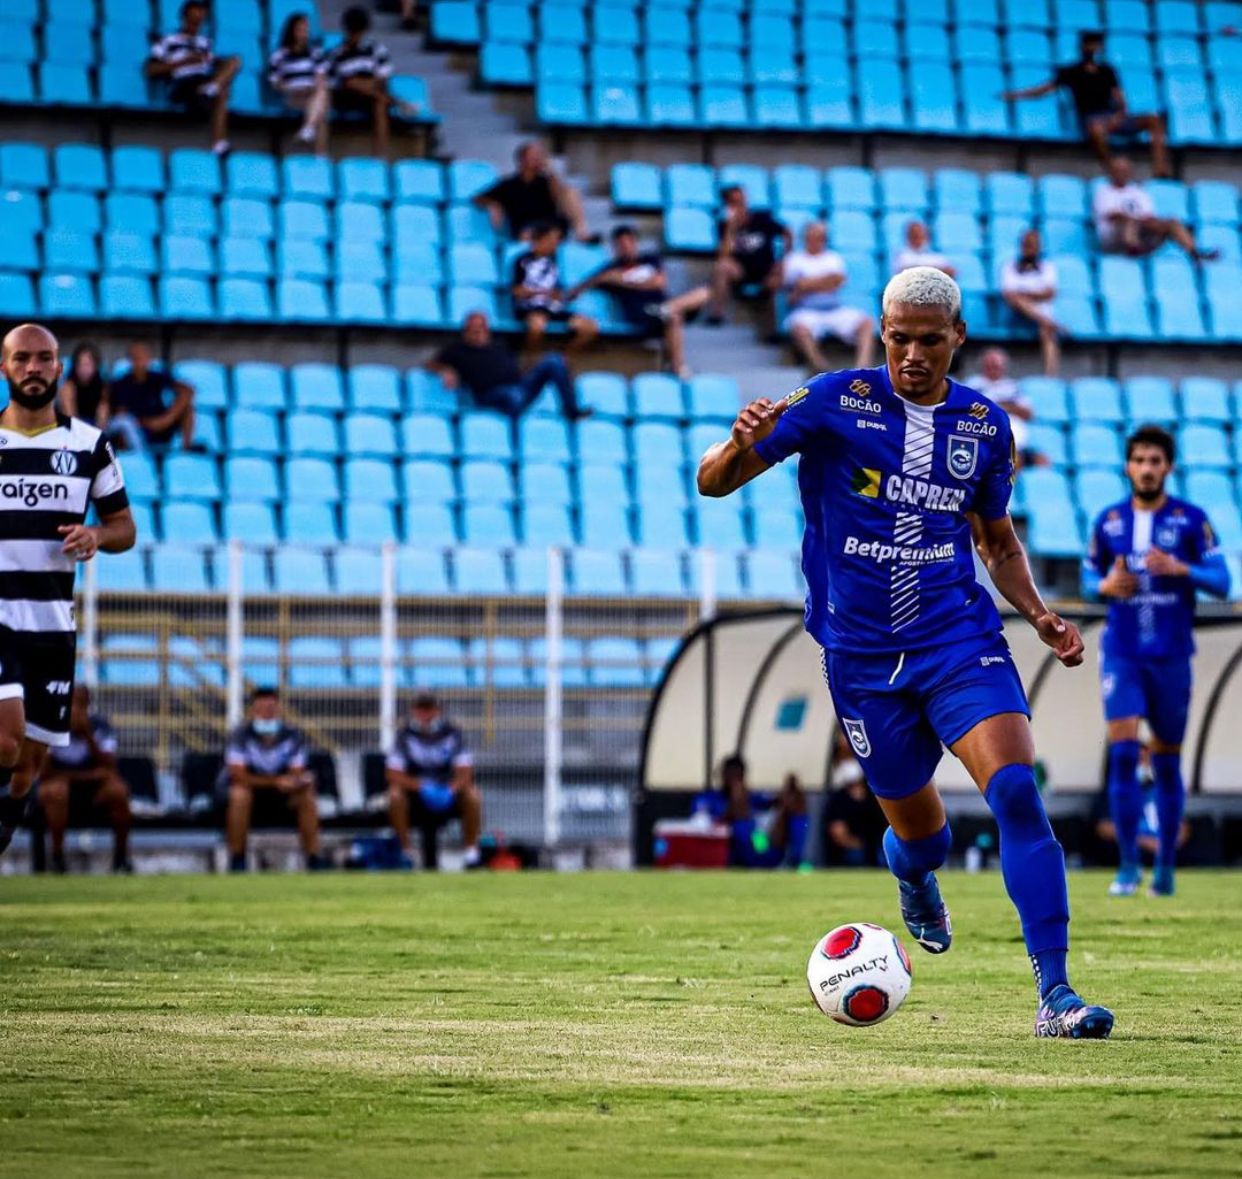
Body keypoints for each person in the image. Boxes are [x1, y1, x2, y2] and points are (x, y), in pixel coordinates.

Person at [696, 267, 1114, 1037]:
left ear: (958, 338)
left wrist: (1040, 613)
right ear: (880, 333)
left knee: (1017, 791)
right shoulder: (830, 401)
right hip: (860, 657)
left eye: (929, 339)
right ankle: (914, 872)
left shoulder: (985, 427)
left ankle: (1056, 996)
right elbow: (712, 483)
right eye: (899, 338)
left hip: (958, 637)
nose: (913, 353)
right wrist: (738, 444)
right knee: (925, 836)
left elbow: (996, 539)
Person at [0, 323, 136, 859]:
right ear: (4, 368)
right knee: (7, 740)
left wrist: (97, 534)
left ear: (59, 368)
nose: (33, 368)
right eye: (21, 359)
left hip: (53, 624)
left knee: (29, 761)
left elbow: (125, 528)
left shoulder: (89, 445)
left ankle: (8, 817)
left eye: (43, 359)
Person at [1082, 425, 1230, 898]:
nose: (1147, 468)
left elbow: (1223, 580)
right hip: (1123, 653)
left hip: (1171, 655)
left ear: (1168, 467)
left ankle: (1164, 868)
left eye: (1155, 461)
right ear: (1128, 466)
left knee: (1166, 763)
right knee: (1124, 754)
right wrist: (1105, 587)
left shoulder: (1191, 520)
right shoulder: (1108, 521)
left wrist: (1181, 568)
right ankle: (1127, 867)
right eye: (1139, 460)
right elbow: (1089, 579)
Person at [1002, 30, 1170, 176]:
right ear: (1082, 47)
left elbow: (1120, 98)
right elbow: (1043, 90)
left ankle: (1160, 168)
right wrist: (1015, 95)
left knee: (1154, 120)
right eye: (1090, 45)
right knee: (1096, 129)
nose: (1093, 49)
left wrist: (1119, 116)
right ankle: (1111, 168)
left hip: (1112, 117)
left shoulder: (1107, 71)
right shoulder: (1071, 71)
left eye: (1096, 45)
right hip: (1092, 118)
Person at [568, 225, 710, 378]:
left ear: (635, 243)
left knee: (704, 292)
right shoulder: (611, 267)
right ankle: (678, 368)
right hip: (640, 313)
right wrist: (603, 278)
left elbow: (659, 282)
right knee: (674, 318)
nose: (626, 247)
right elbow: (578, 288)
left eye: (629, 242)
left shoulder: (649, 260)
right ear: (615, 247)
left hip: (662, 306)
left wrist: (622, 280)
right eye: (621, 244)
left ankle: (665, 309)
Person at [223, 688, 325, 872]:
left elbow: (296, 771)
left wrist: (295, 782)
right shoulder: (240, 736)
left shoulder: (292, 736)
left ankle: (313, 858)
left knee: (307, 796)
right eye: (262, 708)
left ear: (279, 710)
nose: (267, 713)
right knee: (238, 795)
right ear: (253, 711)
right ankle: (237, 859)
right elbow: (239, 775)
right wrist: (275, 781)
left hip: (283, 796)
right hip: (252, 793)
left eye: (271, 708)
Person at [36, 686, 131, 874]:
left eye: (80, 703)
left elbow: (109, 767)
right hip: (60, 786)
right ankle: (57, 859)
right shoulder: (49, 724)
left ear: (88, 704)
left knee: (119, 791)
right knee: (57, 791)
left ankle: (121, 859)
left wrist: (87, 735)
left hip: (93, 790)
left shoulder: (100, 726)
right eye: (72, 703)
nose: (76, 709)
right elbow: (43, 772)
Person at [429, 311, 590, 420]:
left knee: (553, 360)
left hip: (519, 386)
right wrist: (446, 369)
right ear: (466, 331)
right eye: (474, 330)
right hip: (491, 396)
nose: (478, 333)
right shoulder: (457, 350)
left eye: (481, 328)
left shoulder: (499, 344)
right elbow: (429, 364)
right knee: (512, 395)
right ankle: (514, 432)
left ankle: (572, 411)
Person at [386, 692, 482, 870]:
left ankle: (471, 853)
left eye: (429, 709)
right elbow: (393, 773)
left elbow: (465, 772)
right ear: (413, 711)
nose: (425, 715)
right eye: (420, 709)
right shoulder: (404, 736)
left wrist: (451, 789)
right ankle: (406, 853)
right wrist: (421, 787)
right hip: (415, 795)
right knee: (394, 795)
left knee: (473, 796)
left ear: (437, 711)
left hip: (448, 792)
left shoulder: (453, 734)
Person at [145, 0, 240, 157]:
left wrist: (217, 63)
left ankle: (211, 88)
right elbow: (151, 70)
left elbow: (212, 62)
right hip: (183, 83)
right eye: (194, 15)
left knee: (234, 61)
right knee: (223, 93)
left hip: (204, 78)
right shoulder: (168, 41)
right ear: (184, 17)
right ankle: (218, 142)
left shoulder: (204, 43)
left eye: (201, 15)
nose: (198, 19)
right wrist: (184, 62)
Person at [778, 221, 875, 373]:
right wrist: (824, 281)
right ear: (806, 238)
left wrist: (808, 283)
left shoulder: (832, 258)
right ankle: (820, 368)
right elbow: (795, 287)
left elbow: (837, 281)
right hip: (806, 310)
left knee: (867, 323)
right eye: (813, 237)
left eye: (821, 237)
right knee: (800, 329)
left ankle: (862, 369)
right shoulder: (794, 259)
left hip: (834, 309)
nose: (817, 241)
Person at [324, 6, 415, 157]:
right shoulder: (336, 53)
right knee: (356, 86)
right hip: (345, 97)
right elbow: (344, 83)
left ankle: (379, 156)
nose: (356, 36)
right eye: (353, 32)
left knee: (379, 102)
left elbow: (382, 77)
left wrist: (365, 83)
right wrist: (365, 83)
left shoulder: (376, 49)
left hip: (371, 95)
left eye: (359, 32)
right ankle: (396, 102)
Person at [692, 754, 808, 868]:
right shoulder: (708, 798)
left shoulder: (750, 797)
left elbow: (773, 801)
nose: (735, 780)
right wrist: (733, 808)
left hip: (756, 840)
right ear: (723, 775)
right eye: (731, 775)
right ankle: (762, 857)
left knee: (794, 806)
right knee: (742, 822)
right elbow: (701, 824)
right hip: (722, 845)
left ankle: (798, 861)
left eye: (739, 776)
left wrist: (788, 795)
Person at [1093, 157, 1219, 262]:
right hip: (1113, 237)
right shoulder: (1104, 192)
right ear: (1111, 172)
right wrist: (1135, 219)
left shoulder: (1138, 191)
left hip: (1142, 232)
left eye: (1125, 170)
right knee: (1129, 222)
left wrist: (1153, 224)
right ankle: (1132, 250)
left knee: (1172, 222)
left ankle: (1195, 253)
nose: (1122, 174)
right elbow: (1112, 216)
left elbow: (1149, 216)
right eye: (1118, 170)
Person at [510, 222, 599, 358]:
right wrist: (540, 292)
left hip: (553, 308)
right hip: (531, 307)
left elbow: (557, 292)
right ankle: (531, 360)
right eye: (552, 239)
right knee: (536, 327)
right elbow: (516, 291)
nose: (555, 244)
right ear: (541, 240)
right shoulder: (521, 261)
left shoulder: (553, 263)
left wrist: (562, 295)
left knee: (589, 328)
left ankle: (562, 359)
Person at [475, 141, 593, 243]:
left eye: (540, 155)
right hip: (526, 228)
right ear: (522, 159)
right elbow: (478, 198)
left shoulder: (547, 181)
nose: (538, 159)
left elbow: (559, 196)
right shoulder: (509, 184)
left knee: (571, 193)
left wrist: (550, 171)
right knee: (528, 234)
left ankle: (581, 232)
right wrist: (493, 204)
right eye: (534, 155)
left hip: (551, 226)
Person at [707, 186, 791, 325]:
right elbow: (723, 255)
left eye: (742, 201)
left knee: (779, 276)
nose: (740, 206)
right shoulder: (723, 225)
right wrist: (731, 228)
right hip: (741, 270)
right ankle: (717, 314)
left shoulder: (762, 218)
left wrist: (783, 259)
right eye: (735, 203)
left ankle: (774, 329)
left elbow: (788, 233)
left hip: (766, 269)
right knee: (721, 267)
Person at [106, 342, 199, 452]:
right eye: (136, 358)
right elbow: (122, 416)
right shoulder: (122, 384)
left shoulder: (158, 377)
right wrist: (149, 423)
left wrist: (168, 418)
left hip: (162, 425)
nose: (141, 363)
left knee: (187, 409)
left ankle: (186, 450)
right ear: (130, 361)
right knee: (123, 430)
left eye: (144, 358)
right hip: (139, 430)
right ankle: (136, 461)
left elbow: (188, 391)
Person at [967, 347, 1048, 470]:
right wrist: (1001, 407)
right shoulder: (973, 384)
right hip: (983, 432)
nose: (994, 369)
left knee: (1042, 460)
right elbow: (966, 410)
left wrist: (1002, 406)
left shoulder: (1013, 387)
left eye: (997, 366)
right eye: (990, 365)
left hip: (1013, 435)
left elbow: (1027, 413)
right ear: (983, 366)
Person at [1000, 229, 1060, 377]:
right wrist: (1033, 295)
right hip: (1017, 313)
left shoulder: (1048, 267)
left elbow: (1049, 293)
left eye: (1033, 245)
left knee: (1046, 330)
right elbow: (1009, 295)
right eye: (1027, 244)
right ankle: (1049, 322)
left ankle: (1050, 374)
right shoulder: (1009, 266)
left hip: (1040, 311)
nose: (1030, 248)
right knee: (1018, 301)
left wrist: (1025, 294)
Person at [268, 12, 330, 153]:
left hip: (311, 92)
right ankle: (320, 154)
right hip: (291, 94)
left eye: (306, 30)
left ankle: (308, 129)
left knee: (321, 95)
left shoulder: (315, 54)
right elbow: (276, 83)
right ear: (292, 31)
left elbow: (321, 78)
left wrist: (311, 88)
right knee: (322, 108)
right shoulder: (279, 55)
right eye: (300, 30)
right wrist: (292, 89)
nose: (304, 34)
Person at [823, 732, 887, 867]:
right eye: (844, 757)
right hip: (854, 852)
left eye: (852, 756)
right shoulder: (838, 799)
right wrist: (859, 845)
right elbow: (838, 834)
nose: (849, 763)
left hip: (878, 849)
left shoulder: (877, 795)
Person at [58, 342, 107, 425]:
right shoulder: (69, 386)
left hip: (94, 427)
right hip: (74, 426)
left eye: (87, 364)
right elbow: (70, 417)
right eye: (80, 365)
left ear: (95, 366)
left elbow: (102, 417)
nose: (83, 369)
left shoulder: (102, 386)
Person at [892, 220, 956, 277]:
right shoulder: (901, 256)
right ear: (908, 236)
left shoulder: (935, 256)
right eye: (915, 235)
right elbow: (903, 272)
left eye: (921, 235)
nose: (918, 238)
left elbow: (951, 272)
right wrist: (936, 269)